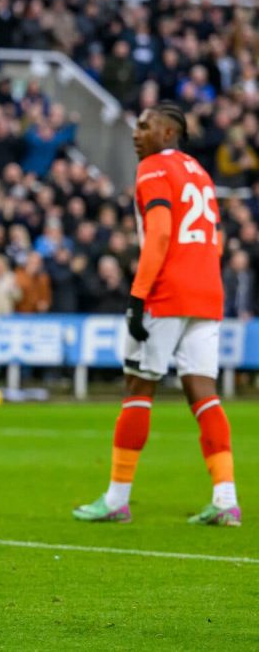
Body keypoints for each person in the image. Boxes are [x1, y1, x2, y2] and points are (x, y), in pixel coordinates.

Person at [73, 102, 241, 526]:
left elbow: (162, 231)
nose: (136, 132)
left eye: (146, 126)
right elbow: (215, 239)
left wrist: (137, 296)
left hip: (168, 292)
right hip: (207, 292)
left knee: (138, 386)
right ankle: (225, 500)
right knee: (204, 394)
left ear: (168, 133)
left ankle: (116, 499)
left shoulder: (152, 169)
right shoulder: (200, 173)